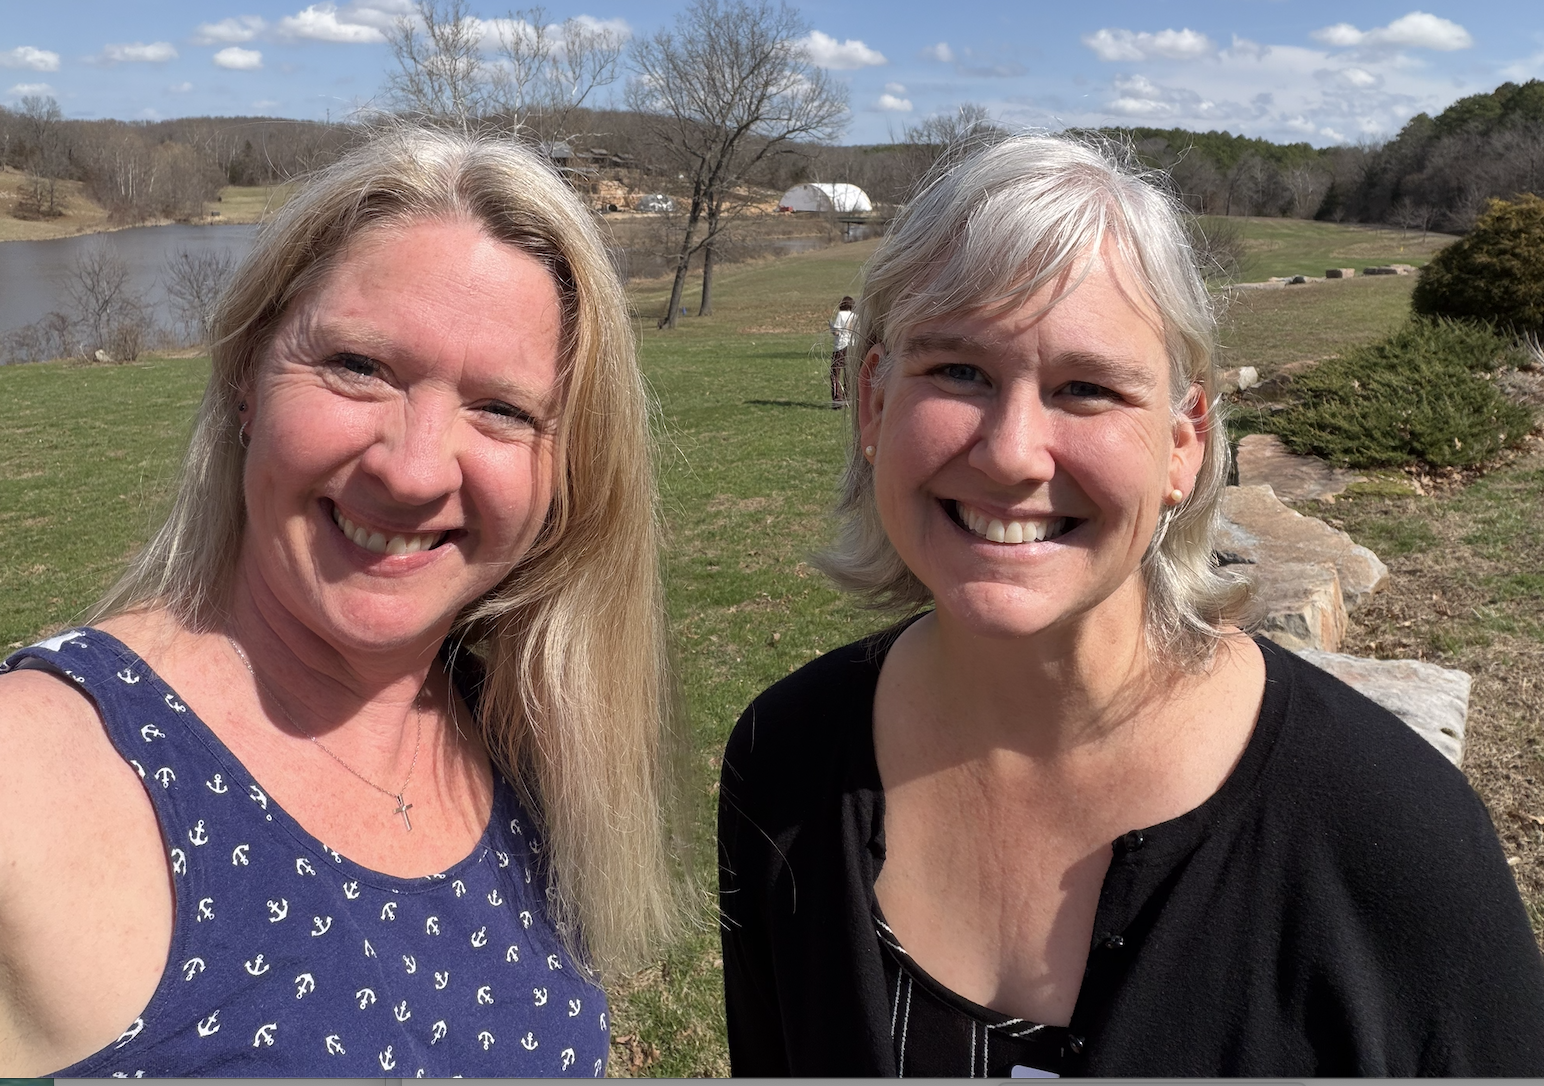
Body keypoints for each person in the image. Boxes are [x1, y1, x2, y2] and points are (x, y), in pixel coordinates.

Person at [718, 135, 1544, 1076]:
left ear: (1184, 446)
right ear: (872, 404)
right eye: (957, 371)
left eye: (1087, 388)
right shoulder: (781, 767)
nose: (1012, 452)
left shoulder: (1394, 840)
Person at [0, 129, 678, 1078]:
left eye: (504, 410)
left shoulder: (523, 740)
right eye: (360, 365)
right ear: (246, 376)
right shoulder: (32, 776)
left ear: (565, 472)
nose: (411, 469)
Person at [829, 295, 857, 407]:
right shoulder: (855, 316)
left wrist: (831, 327)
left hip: (841, 345)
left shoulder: (841, 315)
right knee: (848, 373)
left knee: (835, 373)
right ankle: (848, 397)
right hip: (852, 345)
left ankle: (837, 399)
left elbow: (836, 332)